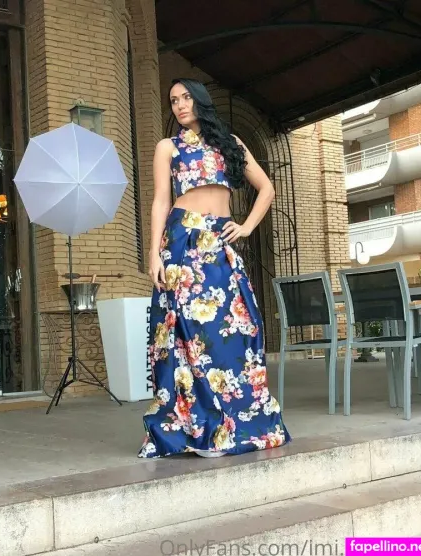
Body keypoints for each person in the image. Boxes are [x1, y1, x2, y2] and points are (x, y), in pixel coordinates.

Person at [138, 78, 291, 459]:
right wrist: (154, 253)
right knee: (187, 336)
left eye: (186, 97)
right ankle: (198, 426)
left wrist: (247, 226)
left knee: (236, 330)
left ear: (200, 100)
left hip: (220, 245)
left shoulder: (230, 143)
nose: (179, 105)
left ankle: (235, 421)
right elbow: (161, 201)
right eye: (173, 100)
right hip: (182, 244)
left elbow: (267, 189)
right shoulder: (167, 147)